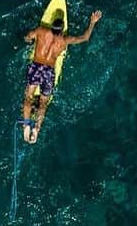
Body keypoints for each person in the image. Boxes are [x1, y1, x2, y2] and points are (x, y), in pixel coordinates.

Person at [21, 9, 102, 143]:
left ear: (52, 25)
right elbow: (85, 38)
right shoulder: (65, 40)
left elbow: (27, 38)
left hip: (36, 67)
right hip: (49, 71)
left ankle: (26, 124)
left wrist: (29, 40)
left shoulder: (41, 30)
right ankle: (37, 128)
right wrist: (92, 22)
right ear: (62, 29)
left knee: (28, 96)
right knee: (43, 102)